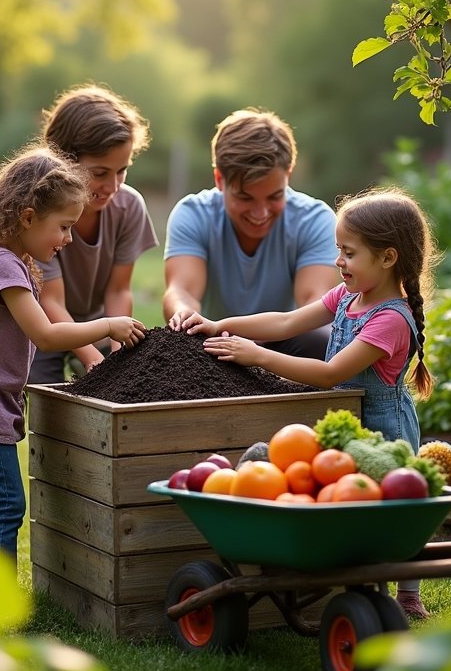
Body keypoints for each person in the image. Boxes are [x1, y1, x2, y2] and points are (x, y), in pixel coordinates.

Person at [181, 187, 437, 619]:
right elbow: (286, 321)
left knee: (396, 511)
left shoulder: (391, 319)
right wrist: (221, 323)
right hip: (346, 424)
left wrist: (257, 354)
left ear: (388, 257)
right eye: (339, 250)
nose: (339, 261)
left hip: (384, 429)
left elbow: (330, 372)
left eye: (349, 253)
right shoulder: (348, 299)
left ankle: (408, 593)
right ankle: (353, 581)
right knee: (349, 506)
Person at [0, 145, 146, 565]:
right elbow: (46, 335)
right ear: (27, 217)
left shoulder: (5, 259)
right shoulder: (3, 265)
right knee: (7, 503)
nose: (68, 239)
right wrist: (108, 325)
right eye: (63, 227)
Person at [164, 107, 339, 359]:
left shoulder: (315, 219)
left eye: (274, 196)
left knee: (322, 340)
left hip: (286, 349)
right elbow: (183, 291)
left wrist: (257, 346)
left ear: (287, 175)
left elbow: (315, 304)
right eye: (245, 197)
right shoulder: (193, 214)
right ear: (219, 179)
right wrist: (185, 315)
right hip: (214, 345)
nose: (260, 213)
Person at [28, 83, 158, 383]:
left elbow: (118, 290)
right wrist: (94, 361)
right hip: (40, 326)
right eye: (100, 173)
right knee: (41, 392)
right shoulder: (40, 214)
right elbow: (51, 303)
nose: (113, 187)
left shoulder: (129, 207)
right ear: (63, 160)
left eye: (122, 170)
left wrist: (116, 355)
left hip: (99, 324)